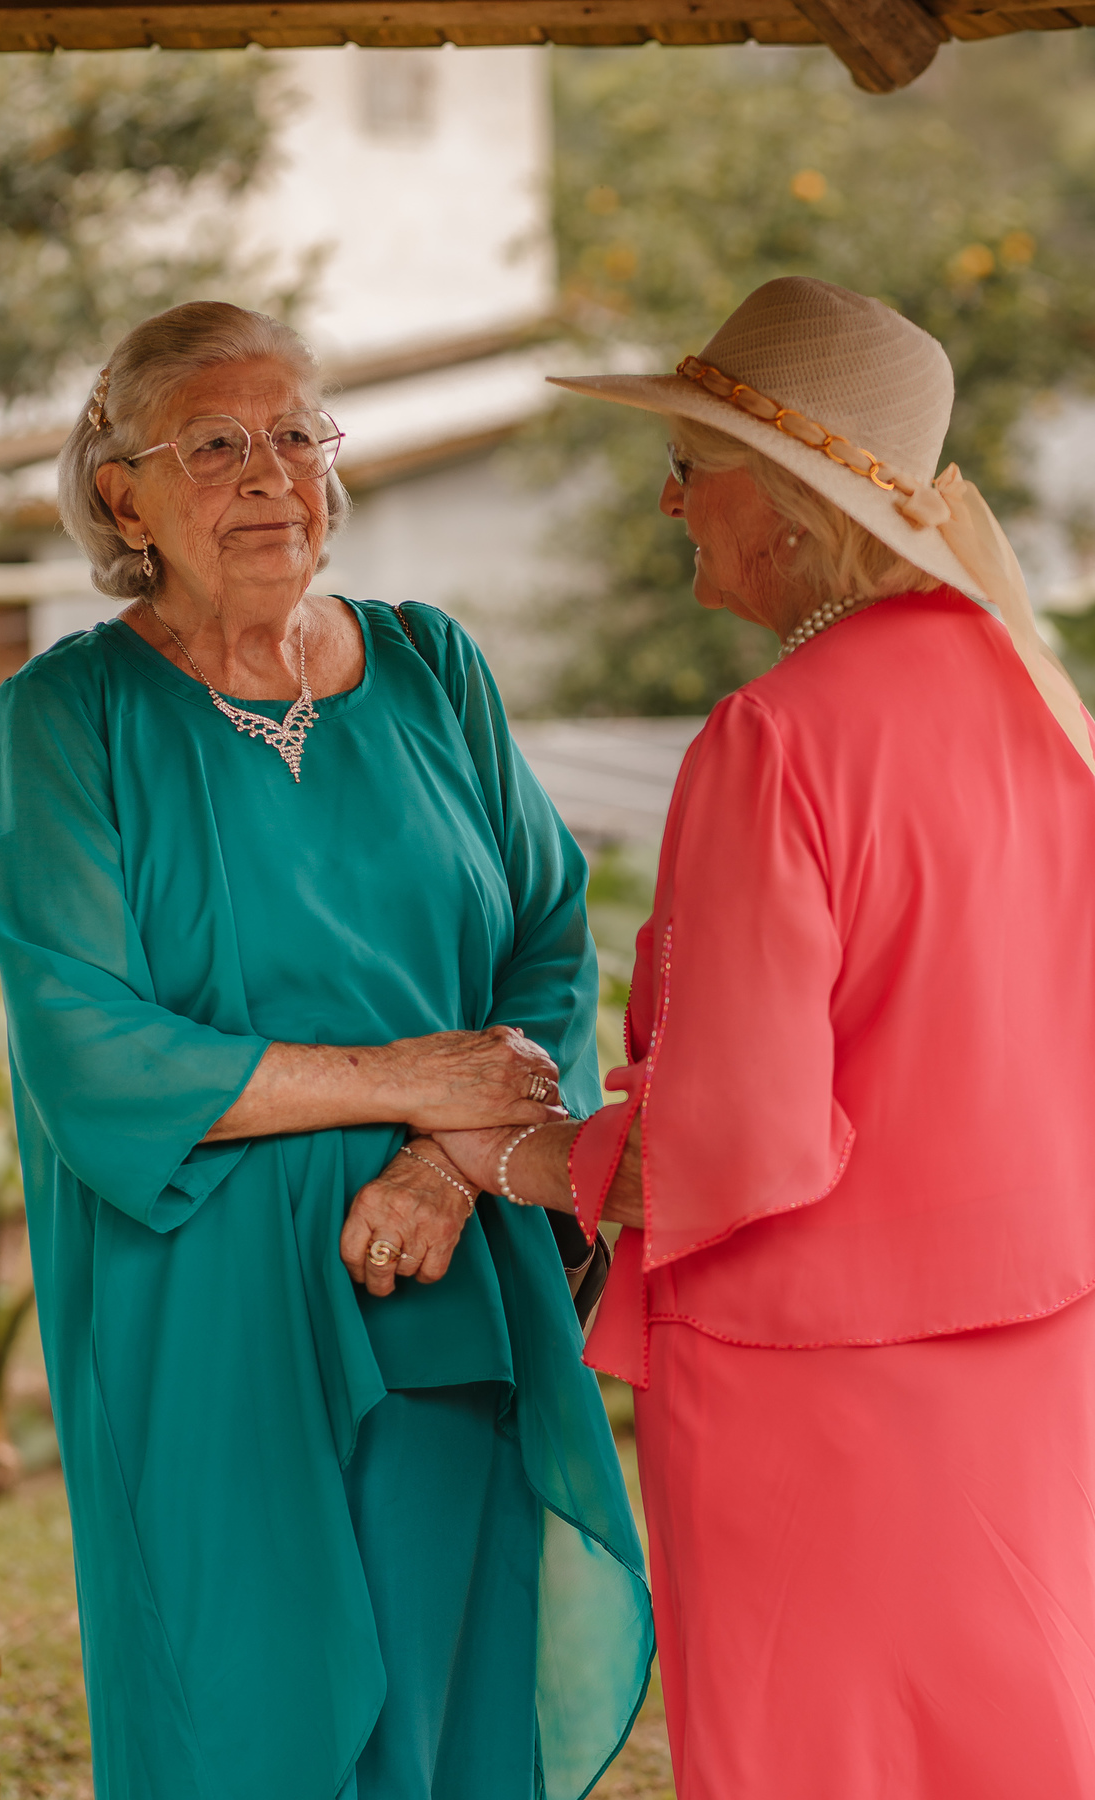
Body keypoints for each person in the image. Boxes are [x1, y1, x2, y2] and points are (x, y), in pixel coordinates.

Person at [0, 300, 652, 1800]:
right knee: (242, 1715)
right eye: (215, 445)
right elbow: (87, 1046)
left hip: (438, 1269)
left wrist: (447, 1168)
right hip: (200, 1304)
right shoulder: (70, 715)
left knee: (442, 1700)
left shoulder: (432, 667)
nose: (271, 473)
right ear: (124, 499)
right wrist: (414, 1082)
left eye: (296, 433)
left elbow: (548, 943)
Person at [437, 276, 1095, 1799]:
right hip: (1036, 1350)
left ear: (790, 502)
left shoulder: (778, 738)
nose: (669, 499)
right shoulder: (1045, 712)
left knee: (817, 1756)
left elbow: (735, 1143)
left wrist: (510, 1152)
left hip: (811, 1391)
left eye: (690, 462)